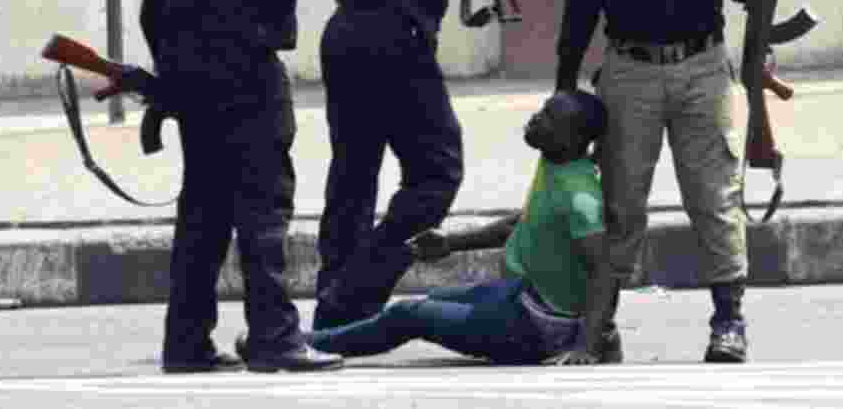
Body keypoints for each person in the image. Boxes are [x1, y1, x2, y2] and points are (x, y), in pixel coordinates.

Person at [139, 0, 360, 373]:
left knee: (203, 213)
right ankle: (275, 339)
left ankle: (185, 344)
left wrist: (171, 77)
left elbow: (152, 1)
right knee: (263, 209)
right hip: (245, 75)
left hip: (193, 76)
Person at [554, 0, 776, 363]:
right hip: (629, 72)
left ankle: (729, 322)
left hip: (703, 69)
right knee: (621, 202)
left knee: (714, 198)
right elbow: (581, 3)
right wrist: (564, 82)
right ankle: (602, 325)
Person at [309, 0, 512, 330]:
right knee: (436, 173)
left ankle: (333, 292)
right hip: (396, 42)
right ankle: (355, 294)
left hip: (346, 34)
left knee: (353, 174)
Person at [244, 90, 616, 365]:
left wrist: (587, 345)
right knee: (433, 302)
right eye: (542, 110)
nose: (537, 119)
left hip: (538, 327)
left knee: (409, 315)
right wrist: (450, 243)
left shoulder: (579, 197)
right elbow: (523, 224)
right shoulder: (555, 162)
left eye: (550, 119)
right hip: (522, 294)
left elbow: (603, 270)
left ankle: (298, 343)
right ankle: (300, 342)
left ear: (575, 140)